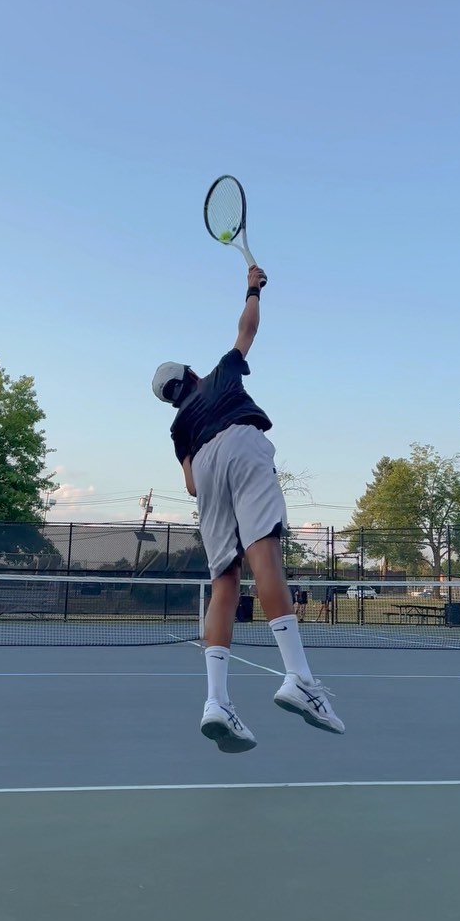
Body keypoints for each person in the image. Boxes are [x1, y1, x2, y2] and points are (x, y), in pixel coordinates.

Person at [152, 264, 344, 752]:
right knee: (264, 554)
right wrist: (252, 289)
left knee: (224, 581)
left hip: (206, 469)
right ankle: (298, 678)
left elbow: (191, 486)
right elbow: (248, 330)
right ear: (191, 375)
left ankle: (216, 702)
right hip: (240, 442)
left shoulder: (178, 429)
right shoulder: (219, 375)